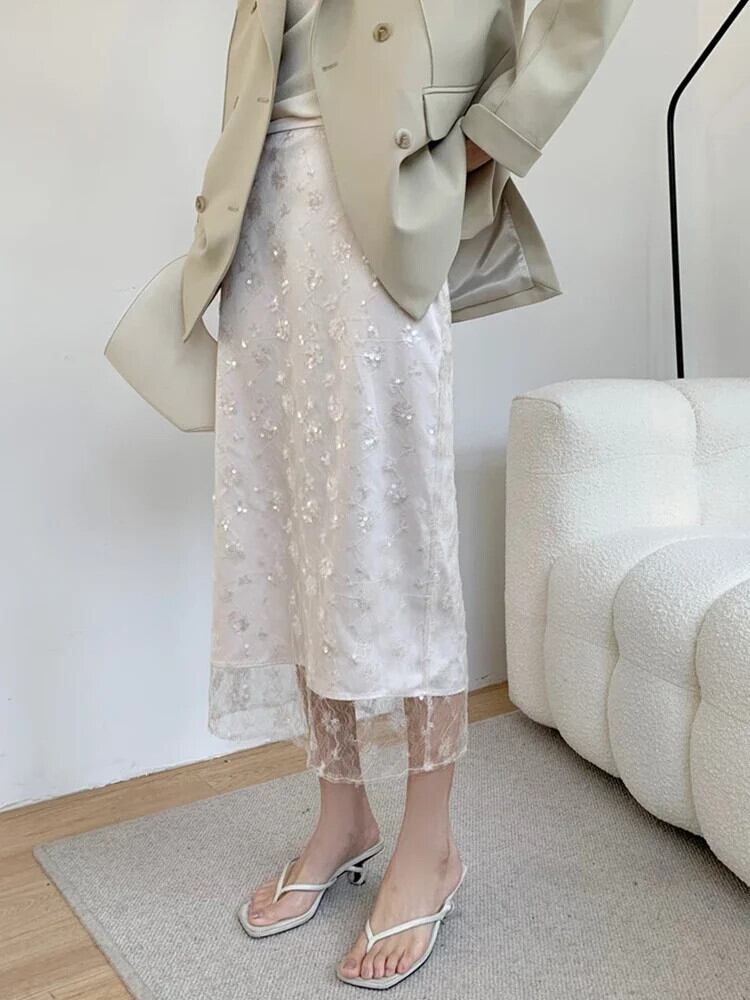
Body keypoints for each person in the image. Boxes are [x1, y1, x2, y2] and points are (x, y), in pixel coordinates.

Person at [117, 0, 633, 988]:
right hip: (261, 205)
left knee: (397, 527)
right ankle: (343, 811)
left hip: (383, 200)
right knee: (298, 523)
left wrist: (487, 137)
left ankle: (431, 843)